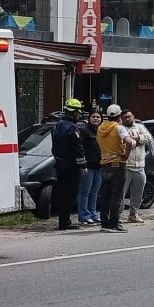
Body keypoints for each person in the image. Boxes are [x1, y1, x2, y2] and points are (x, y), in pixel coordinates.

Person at [49, 99, 88, 230]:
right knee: (70, 194)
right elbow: (77, 148)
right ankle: (65, 222)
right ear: (75, 113)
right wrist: (83, 166)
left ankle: (63, 221)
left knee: (62, 193)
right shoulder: (72, 128)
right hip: (70, 166)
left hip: (59, 164)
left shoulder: (57, 125)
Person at [96, 104, 132, 233]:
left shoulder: (100, 128)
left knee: (105, 195)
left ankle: (104, 222)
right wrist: (126, 154)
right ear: (119, 116)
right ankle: (114, 223)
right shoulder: (119, 128)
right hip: (117, 164)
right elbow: (130, 142)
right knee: (116, 196)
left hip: (104, 164)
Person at [120, 110, 152, 223]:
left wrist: (136, 139)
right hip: (125, 166)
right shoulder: (120, 128)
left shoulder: (139, 126)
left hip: (139, 166)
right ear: (121, 119)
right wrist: (134, 141)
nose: (127, 119)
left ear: (133, 116)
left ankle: (133, 214)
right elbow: (121, 142)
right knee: (121, 193)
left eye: (129, 116)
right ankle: (117, 215)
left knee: (138, 192)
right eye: (124, 117)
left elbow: (148, 137)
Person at [77, 110, 104, 225]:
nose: (96, 119)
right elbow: (79, 148)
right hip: (87, 166)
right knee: (85, 192)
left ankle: (93, 214)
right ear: (89, 118)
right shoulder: (84, 130)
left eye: (98, 117)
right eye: (94, 116)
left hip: (99, 166)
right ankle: (84, 216)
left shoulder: (102, 131)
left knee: (95, 192)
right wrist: (82, 165)